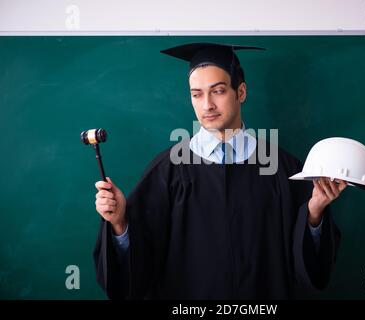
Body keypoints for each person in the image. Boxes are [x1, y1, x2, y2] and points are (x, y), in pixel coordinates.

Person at [93, 43, 347, 299]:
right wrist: (120, 223)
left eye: (218, 91)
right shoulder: (167, 171)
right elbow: (138, 268)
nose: (207, 105)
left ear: (241, 92)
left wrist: (314, 214)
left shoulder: (284, 169)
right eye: (197, 94)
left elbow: (308, 268)